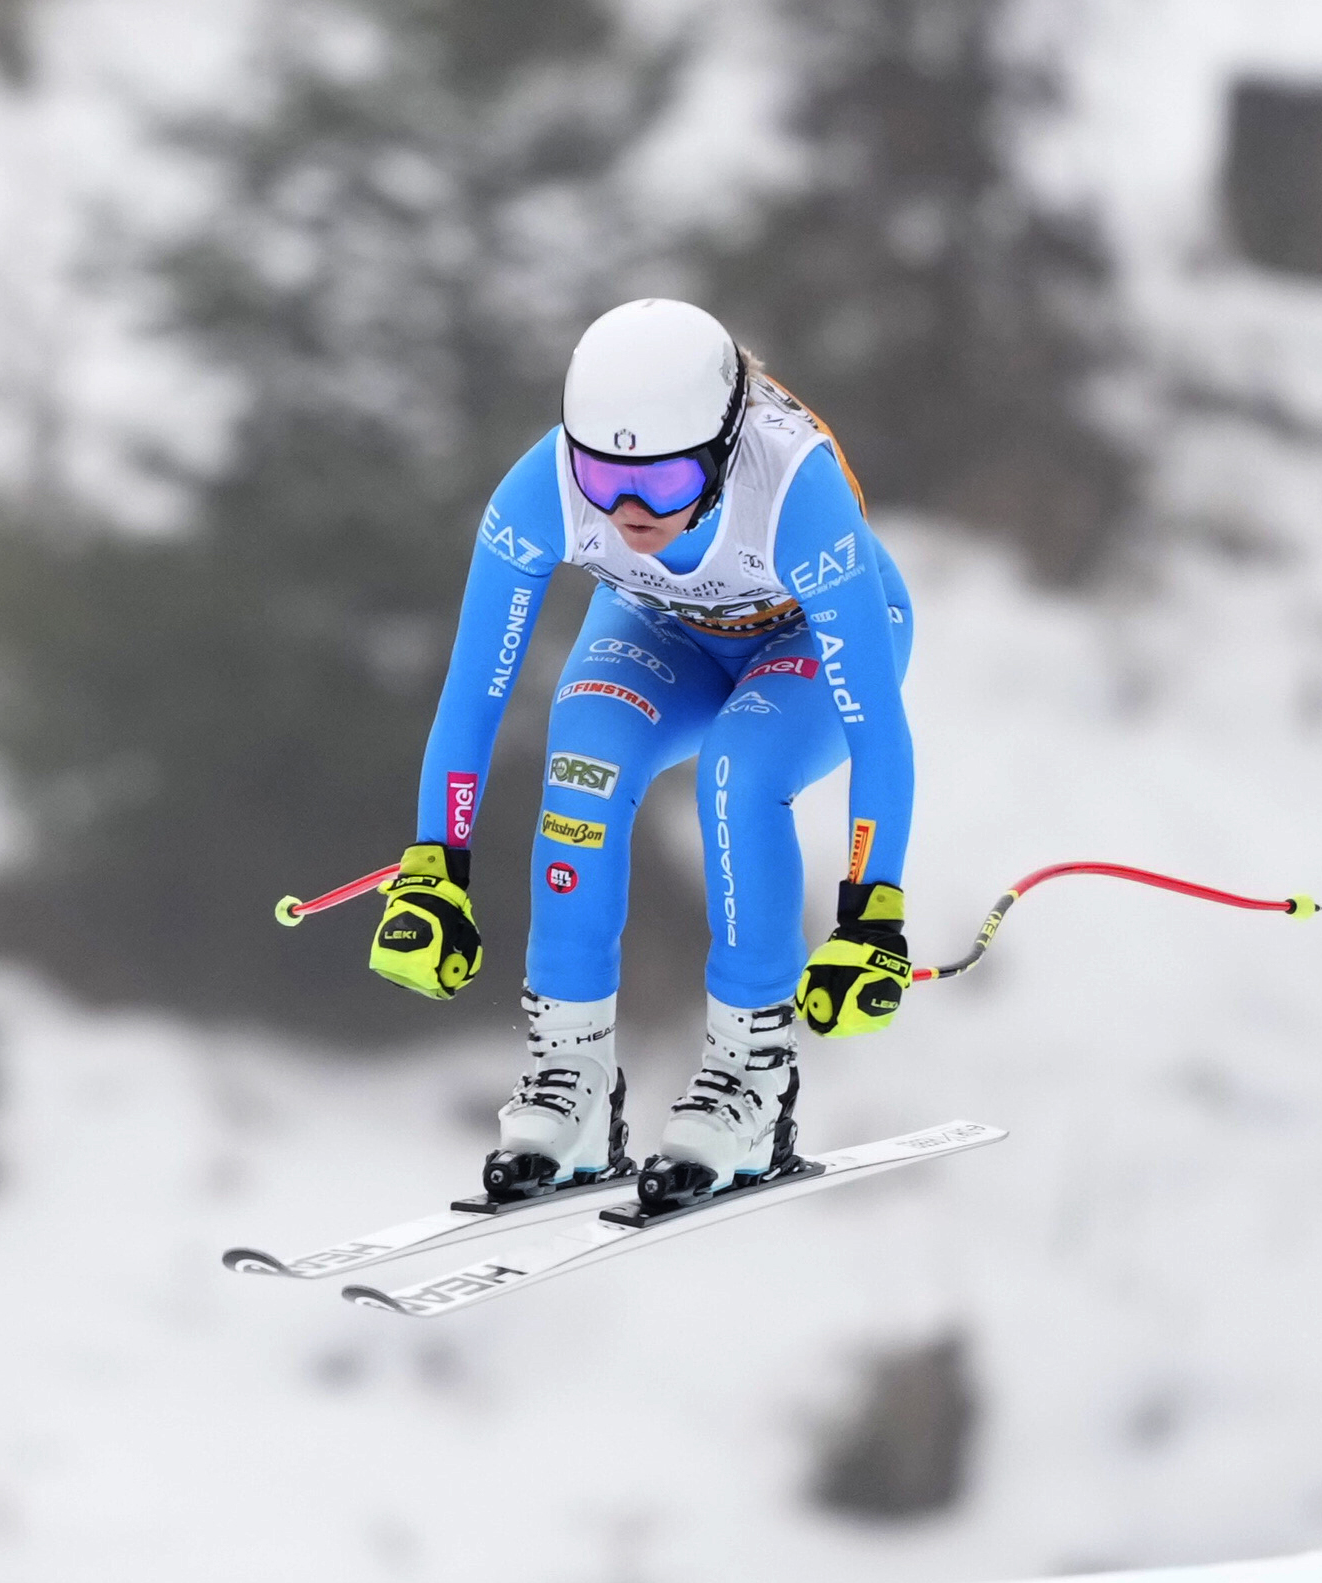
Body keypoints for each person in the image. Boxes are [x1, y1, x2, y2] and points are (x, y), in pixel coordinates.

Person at [365, 297, 917, 1203]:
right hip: (664, 630)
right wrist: (436, 865)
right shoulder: (541, 491)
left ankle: (750, 1077)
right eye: (600, 476)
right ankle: (570, 1075)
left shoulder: (797, 493)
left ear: (725, 448)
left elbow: (878, 731)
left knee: (742, 773)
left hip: (808, 644)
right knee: (583, 757)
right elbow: (474, 694)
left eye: (662, 484)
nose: (627, 511)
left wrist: (872, 916)